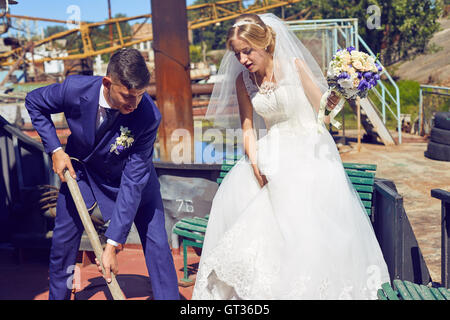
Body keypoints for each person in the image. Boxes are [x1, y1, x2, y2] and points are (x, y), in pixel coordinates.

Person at [192, 13, 390, 300]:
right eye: (237, 54)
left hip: (310, 149)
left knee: (304, 223)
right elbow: (248, 127)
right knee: (246, 206)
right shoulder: (242, 81)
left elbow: (322, 109)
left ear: (264, 43)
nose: (243, 59)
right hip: (271, 150)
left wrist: (340, 92)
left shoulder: (294, 67)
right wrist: (256, 163)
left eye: (247, 51)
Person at [25, 48, 179, 300]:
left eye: (140, 96)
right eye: (128, 96)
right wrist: (55, 149)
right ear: (107, 83)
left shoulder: (149, 116)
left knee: (158, 244)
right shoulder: (74, 90)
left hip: (134, 181)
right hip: (81, 173)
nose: (134, 104)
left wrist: (113, 243)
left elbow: (133, 180)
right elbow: (34, 102)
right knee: (62, 245)